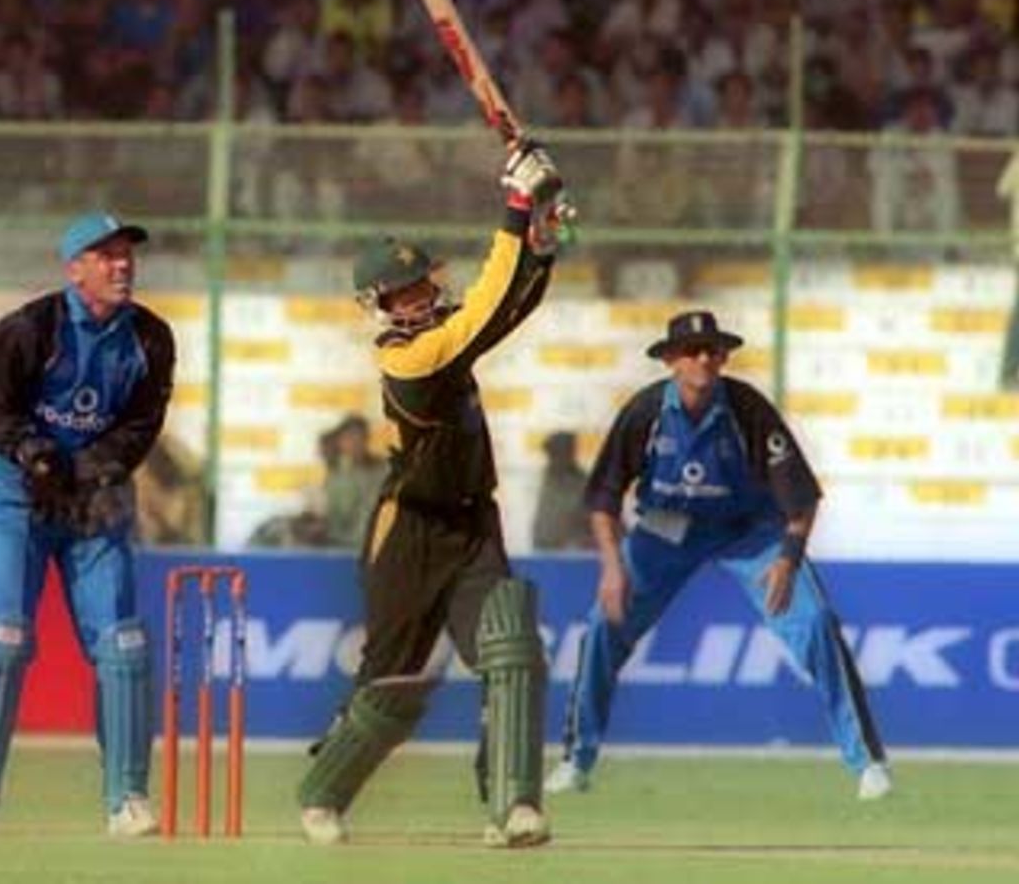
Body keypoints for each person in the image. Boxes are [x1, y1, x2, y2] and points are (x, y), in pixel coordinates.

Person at [296, 139, 566, 849]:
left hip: (474, 522)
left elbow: (503, 312)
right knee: (392, 683)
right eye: (406, 294)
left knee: (512, 653)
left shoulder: (448, 334)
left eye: (423, 287)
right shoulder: (408, 358)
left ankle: (513, 806)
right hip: (410, 531)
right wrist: (513, 205)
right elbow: (483, 314)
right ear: (380, 304)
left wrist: (543, 242)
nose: (421, 298)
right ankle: (322, 792)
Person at [545, 310, 891, 801]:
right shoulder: (645, 412)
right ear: (670, 361)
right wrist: (611, 567)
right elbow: (602, 499)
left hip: (747, 530)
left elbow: (802, 497)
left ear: (725, 357)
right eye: (691, 351)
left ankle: (868, 764)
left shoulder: (747, 409)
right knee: (602, 625)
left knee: (814, 623)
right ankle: (576, 761)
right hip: (666, 527)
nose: (704, 359)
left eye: (712, 350)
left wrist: (788, 560)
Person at [0, 211, 175, 837]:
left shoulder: (150, 339)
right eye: (104, 255)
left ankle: (127, 798)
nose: (121, 264)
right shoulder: (27, 329)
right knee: (6, 635)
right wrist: (33, 452)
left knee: (124, 644)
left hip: (94, 501)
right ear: (75, 269)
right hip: (17, 497)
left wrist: (97, 468)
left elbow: (142, 422)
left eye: (126, 253)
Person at [320, 413, 385, 549]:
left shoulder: (383, 471)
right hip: (340, 544)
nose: (355, 444)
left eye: (359, 438)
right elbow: (333, 515)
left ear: (367, 440)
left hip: (368, 545)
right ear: (341, 442)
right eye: (349, 438)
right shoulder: (337, 476)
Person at [531, 430, 589, 551]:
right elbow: (544, 523)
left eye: (558, 453)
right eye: (552, 454)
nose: (553, 458)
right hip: (545, 550)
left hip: (578, 553)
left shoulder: (582, 482)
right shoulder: (548, 478)